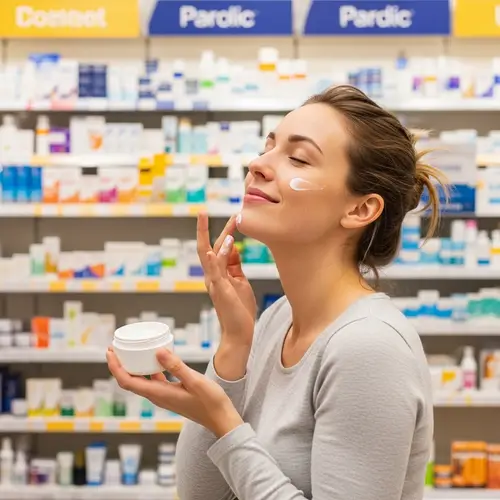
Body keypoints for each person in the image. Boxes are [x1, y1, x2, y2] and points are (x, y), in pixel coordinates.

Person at [107, 84, 447, 500]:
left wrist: (224, 422)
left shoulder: (368, 346)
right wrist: (235, 346)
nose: (258, 164)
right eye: (267, 147)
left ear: (360, 209)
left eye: (298, 158)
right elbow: (201, 496)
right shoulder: (276, 321)